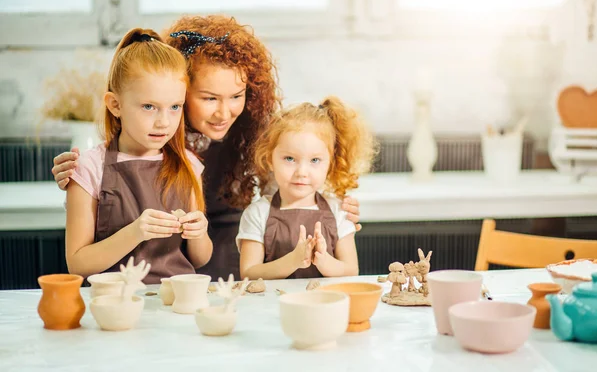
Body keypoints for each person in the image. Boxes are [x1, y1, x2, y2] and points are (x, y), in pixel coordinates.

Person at [52, 15, 363, 280]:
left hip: (236, 248)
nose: (224, 112)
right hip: (150, 266)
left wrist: (334, 207)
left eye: (236, 96)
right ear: (182, 89)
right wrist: (76, 172)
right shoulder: (149, 128)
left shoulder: (258, 134)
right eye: (209, 98)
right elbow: (105, 167)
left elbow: (299, 179)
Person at [65, 28, 212, 284]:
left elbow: (199, 259)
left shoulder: (188, 165)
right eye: (148, 107)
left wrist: (199, 232)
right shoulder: (89, 168)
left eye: (174, 107)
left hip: (175, 303)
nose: (163, 122)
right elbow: (77, 265)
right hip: (115, 303)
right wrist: (135, 232)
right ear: (115, 105)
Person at [237, 96, 377, 279]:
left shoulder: (338, 211)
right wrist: (292, 261)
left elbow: (351, 270)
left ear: (330, 164)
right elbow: (248, 273)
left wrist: (323, 260)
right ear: (270, 159)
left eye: (315, 160)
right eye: (289, 159)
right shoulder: (257, 213)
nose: (302, 172)